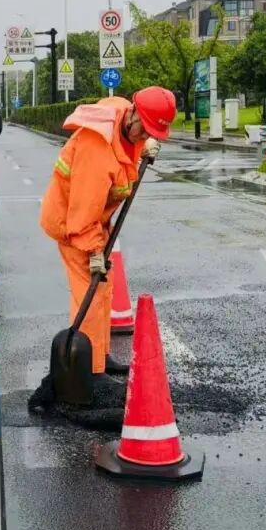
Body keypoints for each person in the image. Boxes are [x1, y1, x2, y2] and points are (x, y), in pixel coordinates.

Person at [39, 87, 176, 375]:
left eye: (151, 133)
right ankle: (89, 370)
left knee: (103, 288)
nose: (144, 136)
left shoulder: (124, 117)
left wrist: (142, 149)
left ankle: (99, 356)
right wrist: (93, 251)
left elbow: (126, 150)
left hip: (95, 222)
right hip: (72, 226)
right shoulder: (96, 149)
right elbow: (82, 213)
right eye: (144, 130)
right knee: (89, 295)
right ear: (133, 113)